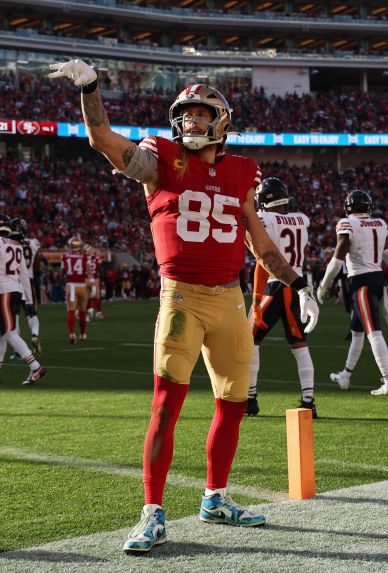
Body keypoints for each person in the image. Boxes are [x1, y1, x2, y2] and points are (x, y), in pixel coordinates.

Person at [48, 59, 319, 553]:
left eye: (200, 113)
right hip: (182, 298)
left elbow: (259, 243)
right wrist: (90, 87)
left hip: (231, 299)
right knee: (166, 406)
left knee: (234, 405)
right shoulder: (163, 159)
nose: (190, 121)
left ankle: (215, 497)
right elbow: (102, 139)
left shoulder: (242, 172)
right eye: (185, 114)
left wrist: (298, 283)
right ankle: (152, 511)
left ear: (221, 121)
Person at [316, 190, 388, 396]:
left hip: (362, 282)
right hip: (376, 280)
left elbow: (337, 260)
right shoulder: (379, 224)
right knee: (357, 332)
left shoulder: (348, 224)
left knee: (373, 332)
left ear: (348, 207)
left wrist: (323, 285)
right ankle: (346, 375)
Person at [247, 178, 318, 418]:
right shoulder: (301, 219)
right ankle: (309, 401)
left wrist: (256, 301)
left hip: (275, 286)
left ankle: (249, 399)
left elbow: (262, 261)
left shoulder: (265, 219)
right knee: (299, 344)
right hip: (297, 286)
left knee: (250, 341)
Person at [0, 213, 47, 386]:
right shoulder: (16, 243)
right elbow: (24, 274)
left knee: (8, 332)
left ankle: (35, 366)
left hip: (4, 290)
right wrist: (29, 299)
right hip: (15, 289)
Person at [10, 218, 43, 355]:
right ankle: (35, 335)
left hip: (13, 281)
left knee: (14, 314)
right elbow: (37, 261)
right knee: (31, 312)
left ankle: (19, 347)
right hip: (28, 280)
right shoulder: (34, 243)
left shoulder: (8, 244)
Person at [61, 238, 90, 344]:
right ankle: (83, 334)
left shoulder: (65, 256)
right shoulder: (85, 256)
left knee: (71, 311)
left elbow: (62, 271)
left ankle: (72, 333)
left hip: (71, 286)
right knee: (82, 311)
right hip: (82, 286)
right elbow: (88, 271)